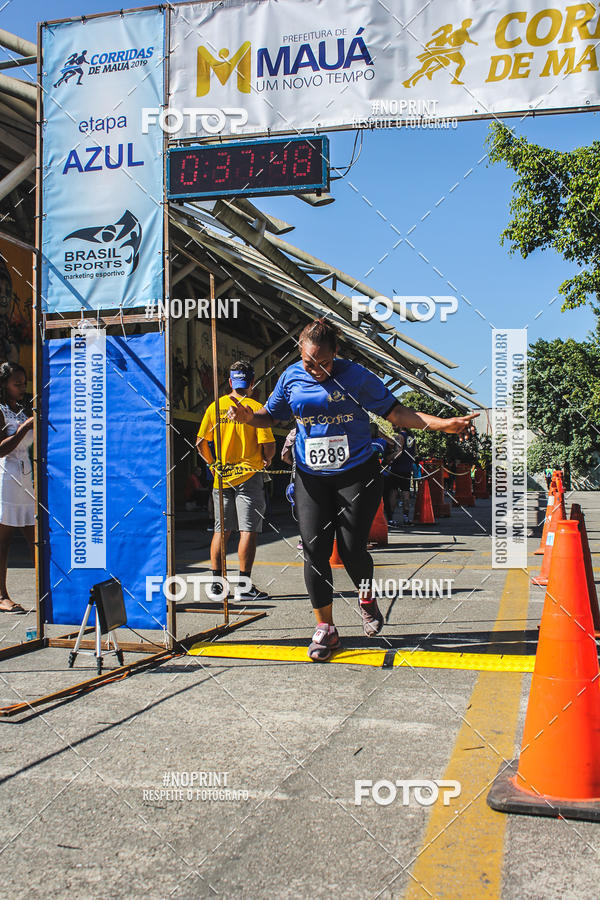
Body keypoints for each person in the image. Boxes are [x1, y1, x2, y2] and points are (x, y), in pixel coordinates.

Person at [227, 318, 478, 660]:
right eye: (308, 363)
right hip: (311, 476)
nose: (315, 370)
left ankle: (365, 597)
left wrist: (443, 425)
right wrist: (248, 417)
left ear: (337, 354)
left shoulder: (357, 377)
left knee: (351, 551)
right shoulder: (290, 377)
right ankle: (325, 629)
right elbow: (271, 416)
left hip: (356, 474)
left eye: (324, 363)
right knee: (314, 550)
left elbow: (397, 413)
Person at [196, 361, 276, 602]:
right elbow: (269, 446)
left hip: (222, 478)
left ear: (230, 382)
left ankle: (218, 587)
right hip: (249, 476)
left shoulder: (215, 407)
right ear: (251, 383)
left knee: (221, 530)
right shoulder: (255, 407)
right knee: (247, 530)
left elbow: (200, 443)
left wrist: (212, 465)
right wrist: (267, 460)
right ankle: (244, 587)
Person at [0, 362, 34, 614]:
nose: (22, 387)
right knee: (4, 540)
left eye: (24, 383)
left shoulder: (23, 408)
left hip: (26, 477)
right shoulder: (1, 411)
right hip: (6, 477)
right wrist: (24, 429)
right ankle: (2, 595)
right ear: (4, 385)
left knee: (36, 537)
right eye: (17, 384)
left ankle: (52, 590)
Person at [387, 427, 417, 526]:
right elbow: (414, 452)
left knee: (393, 493)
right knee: (406, 492)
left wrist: (388, 459)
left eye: (394, 424)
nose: (392, 426)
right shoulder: (412, 437)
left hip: (397, 469)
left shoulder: (399, 436)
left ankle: (390, 519)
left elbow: (398, 452)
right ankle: (406, 518)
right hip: (407, 469)